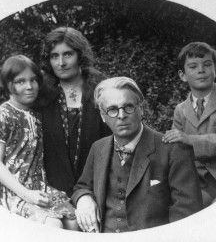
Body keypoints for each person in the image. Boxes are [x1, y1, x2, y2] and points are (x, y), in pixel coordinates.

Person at [71, 76, 202, 233]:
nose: (121, 115)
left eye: (128, 106)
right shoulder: (98, 148)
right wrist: (84, 198)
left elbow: (186, 212)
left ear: (141, 109)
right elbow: (82, 186)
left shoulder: (173, 150)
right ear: (102, 116)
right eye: (112, 109)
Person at [0, 55, 77, 229]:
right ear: (8, 84)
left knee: (75, 221)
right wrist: (26, 194)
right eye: (20, 81)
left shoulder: (38, 115)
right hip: (14, 192)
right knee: (52, 225)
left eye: (33, 80)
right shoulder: (3, 115)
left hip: (41, 188)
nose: (29, 87)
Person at [39, 27, 110, 197]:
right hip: (54, 191)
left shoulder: (101, 90)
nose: (61, 63)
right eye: (54, 56)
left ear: (80, 55)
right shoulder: (41, 94)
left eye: (68, 54)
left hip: (97, 187)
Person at [163, 42, 216, 208]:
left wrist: (190, 140)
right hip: (194, 181)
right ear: (182, 75)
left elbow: (186, 140)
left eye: (207, 64)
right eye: (193, 66)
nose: (201, 70)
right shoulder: (181, 110)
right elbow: (176, 149)